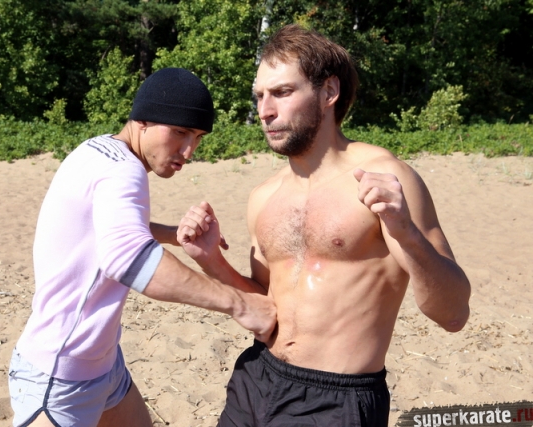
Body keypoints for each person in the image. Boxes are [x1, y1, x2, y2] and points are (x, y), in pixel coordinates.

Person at [178, 24, 471, 427]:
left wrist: (407, 233)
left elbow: (453, 314)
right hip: (255, 379)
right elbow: (265, 310)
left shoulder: (387, 179)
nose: (265, 110)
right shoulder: (264, 197)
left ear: (329, 92)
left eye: (282, 92)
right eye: (259, 96)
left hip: (336, 400)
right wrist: (211, 260)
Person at [8, 67, 277, 427]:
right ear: (143, 120)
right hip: (60, 376)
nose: (188, 151)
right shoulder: (124, 170)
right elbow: (126, 256)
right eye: (179, 132)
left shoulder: (96, 150)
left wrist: (172, 234)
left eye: (197, 137)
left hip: (103, 365)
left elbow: (106, 228)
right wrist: (240, 304)